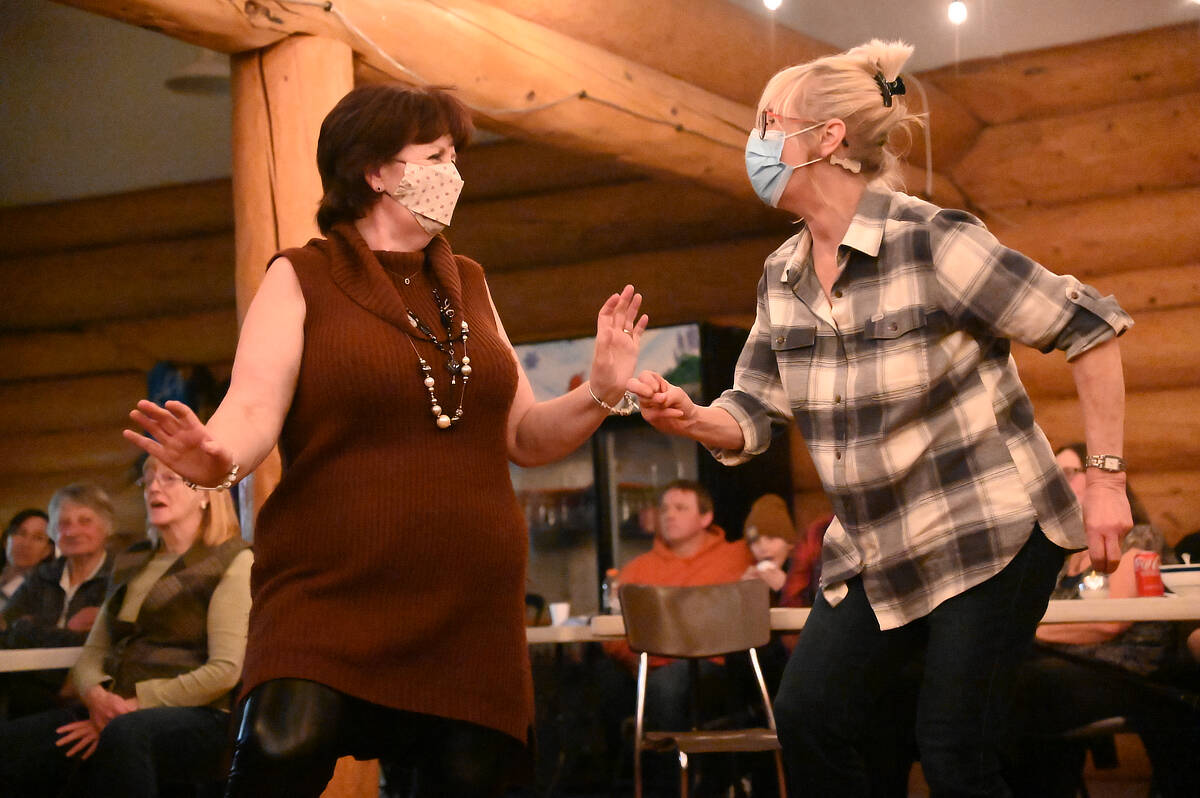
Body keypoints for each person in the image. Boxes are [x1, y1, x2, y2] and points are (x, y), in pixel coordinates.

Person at [628, 39, 1134, 797]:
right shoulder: (784, 273)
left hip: (989, 528)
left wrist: (1105, 481)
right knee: (810, 717)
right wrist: (691, 417)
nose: (755, 143)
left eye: (770, 122)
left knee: (954, 747)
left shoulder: (932, 240)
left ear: (827, 138)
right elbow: (753, 409)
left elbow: (1089, 327)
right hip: (874, 547)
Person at [123, 84, 648, 798]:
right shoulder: (301, 276)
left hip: (469, 605)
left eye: (456, 155)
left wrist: (600, 390)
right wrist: (215, 460)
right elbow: (248, 411)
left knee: (471, 777)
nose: (453, 172)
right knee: (281, 747)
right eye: (435, 155)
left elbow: (524, 436)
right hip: (330, 589)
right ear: (375, 171)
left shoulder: (467, 280)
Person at [0, 457, 251, 798]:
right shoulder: (133, 559)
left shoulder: (233, 559)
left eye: (169, 479)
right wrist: (96, 699)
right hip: (113, 709)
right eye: (148, 481)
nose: (154, 488)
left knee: (126, 735)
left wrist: (127, 709)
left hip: (198, 714)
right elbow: (92, 654)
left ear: (206, 494)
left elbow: (225, 671)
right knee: (16, 743)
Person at [1006, 443, 1198, 798]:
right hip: (1067, 665)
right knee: (1000, 677)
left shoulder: (1138, 539)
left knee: (1023, 683)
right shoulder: (1061, 556)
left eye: (1067, 473)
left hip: (1128, 674)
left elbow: (1108, 624)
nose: (1057, 483)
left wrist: (1025, 633)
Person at [602, 480, 753, 797]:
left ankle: (670, 790)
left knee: (666, 686)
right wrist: (634, 661)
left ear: (705, 517)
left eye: (681, 508)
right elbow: (613, 630)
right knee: (601, 682)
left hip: (712, 665)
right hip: (648, 667)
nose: (669, 515)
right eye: (665, 509)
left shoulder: (737, 557)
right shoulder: (638, 569)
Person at [1, 484, 115, 719]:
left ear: (107, 527)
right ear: (53, 531)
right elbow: (7, 630)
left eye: (85, 521)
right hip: (35, 693)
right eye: (63, 523)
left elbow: (112, 647)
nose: (73, 532)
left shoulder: (120, 578)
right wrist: (65, 634)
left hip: (92, 701)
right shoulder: (41, 575)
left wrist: (31, 629)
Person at [1, 509, 54, 611]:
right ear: (6, 540)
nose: (26, 544)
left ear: (47, 551)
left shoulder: (41, 596)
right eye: (20, 533)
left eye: (38, 538)